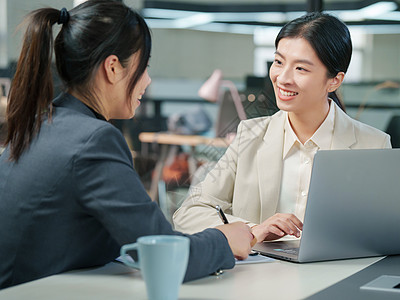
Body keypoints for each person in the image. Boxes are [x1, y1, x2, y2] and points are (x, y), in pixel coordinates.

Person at [0, 0, 254, 289]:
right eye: (143, 66)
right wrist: (225, 238)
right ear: (112, 68)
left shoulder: (43, 122)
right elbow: (165, 256)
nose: (146, 81)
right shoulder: (94, 140)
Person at [173, 12, 400, 252]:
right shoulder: (250, 135)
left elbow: (390, 233)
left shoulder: (373, 143)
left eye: (301, 68)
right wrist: (252, 229)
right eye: (279, 62)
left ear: (334, 80)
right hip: (260, 281)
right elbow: (189, 213)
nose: (283, 78)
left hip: (340, 281)